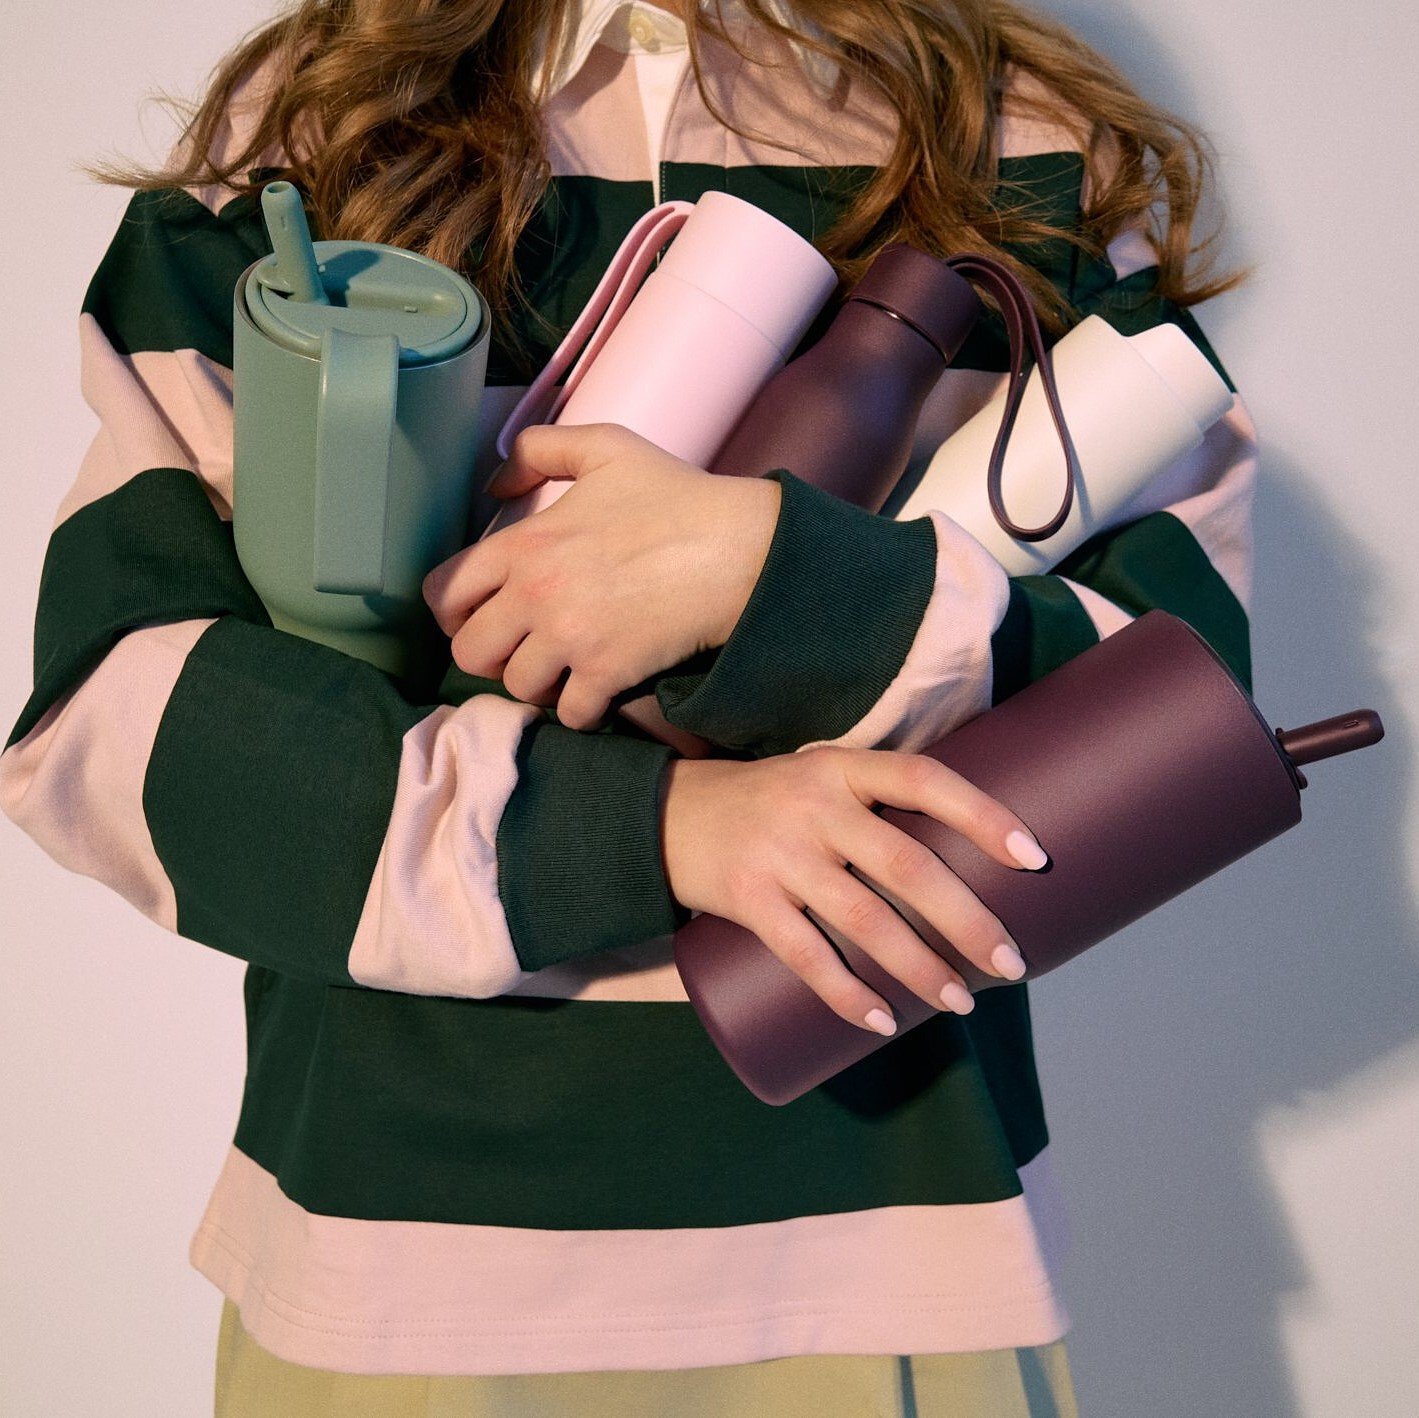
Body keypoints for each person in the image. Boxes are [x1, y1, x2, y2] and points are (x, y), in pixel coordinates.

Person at [0, 0, 1256, 1412]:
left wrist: (762, 573)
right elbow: (117, 724)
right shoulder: (301, 143)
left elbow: (1184, 725)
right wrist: (663, 827)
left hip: (893, 1251)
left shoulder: (1023, 150)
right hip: (396, 1270)